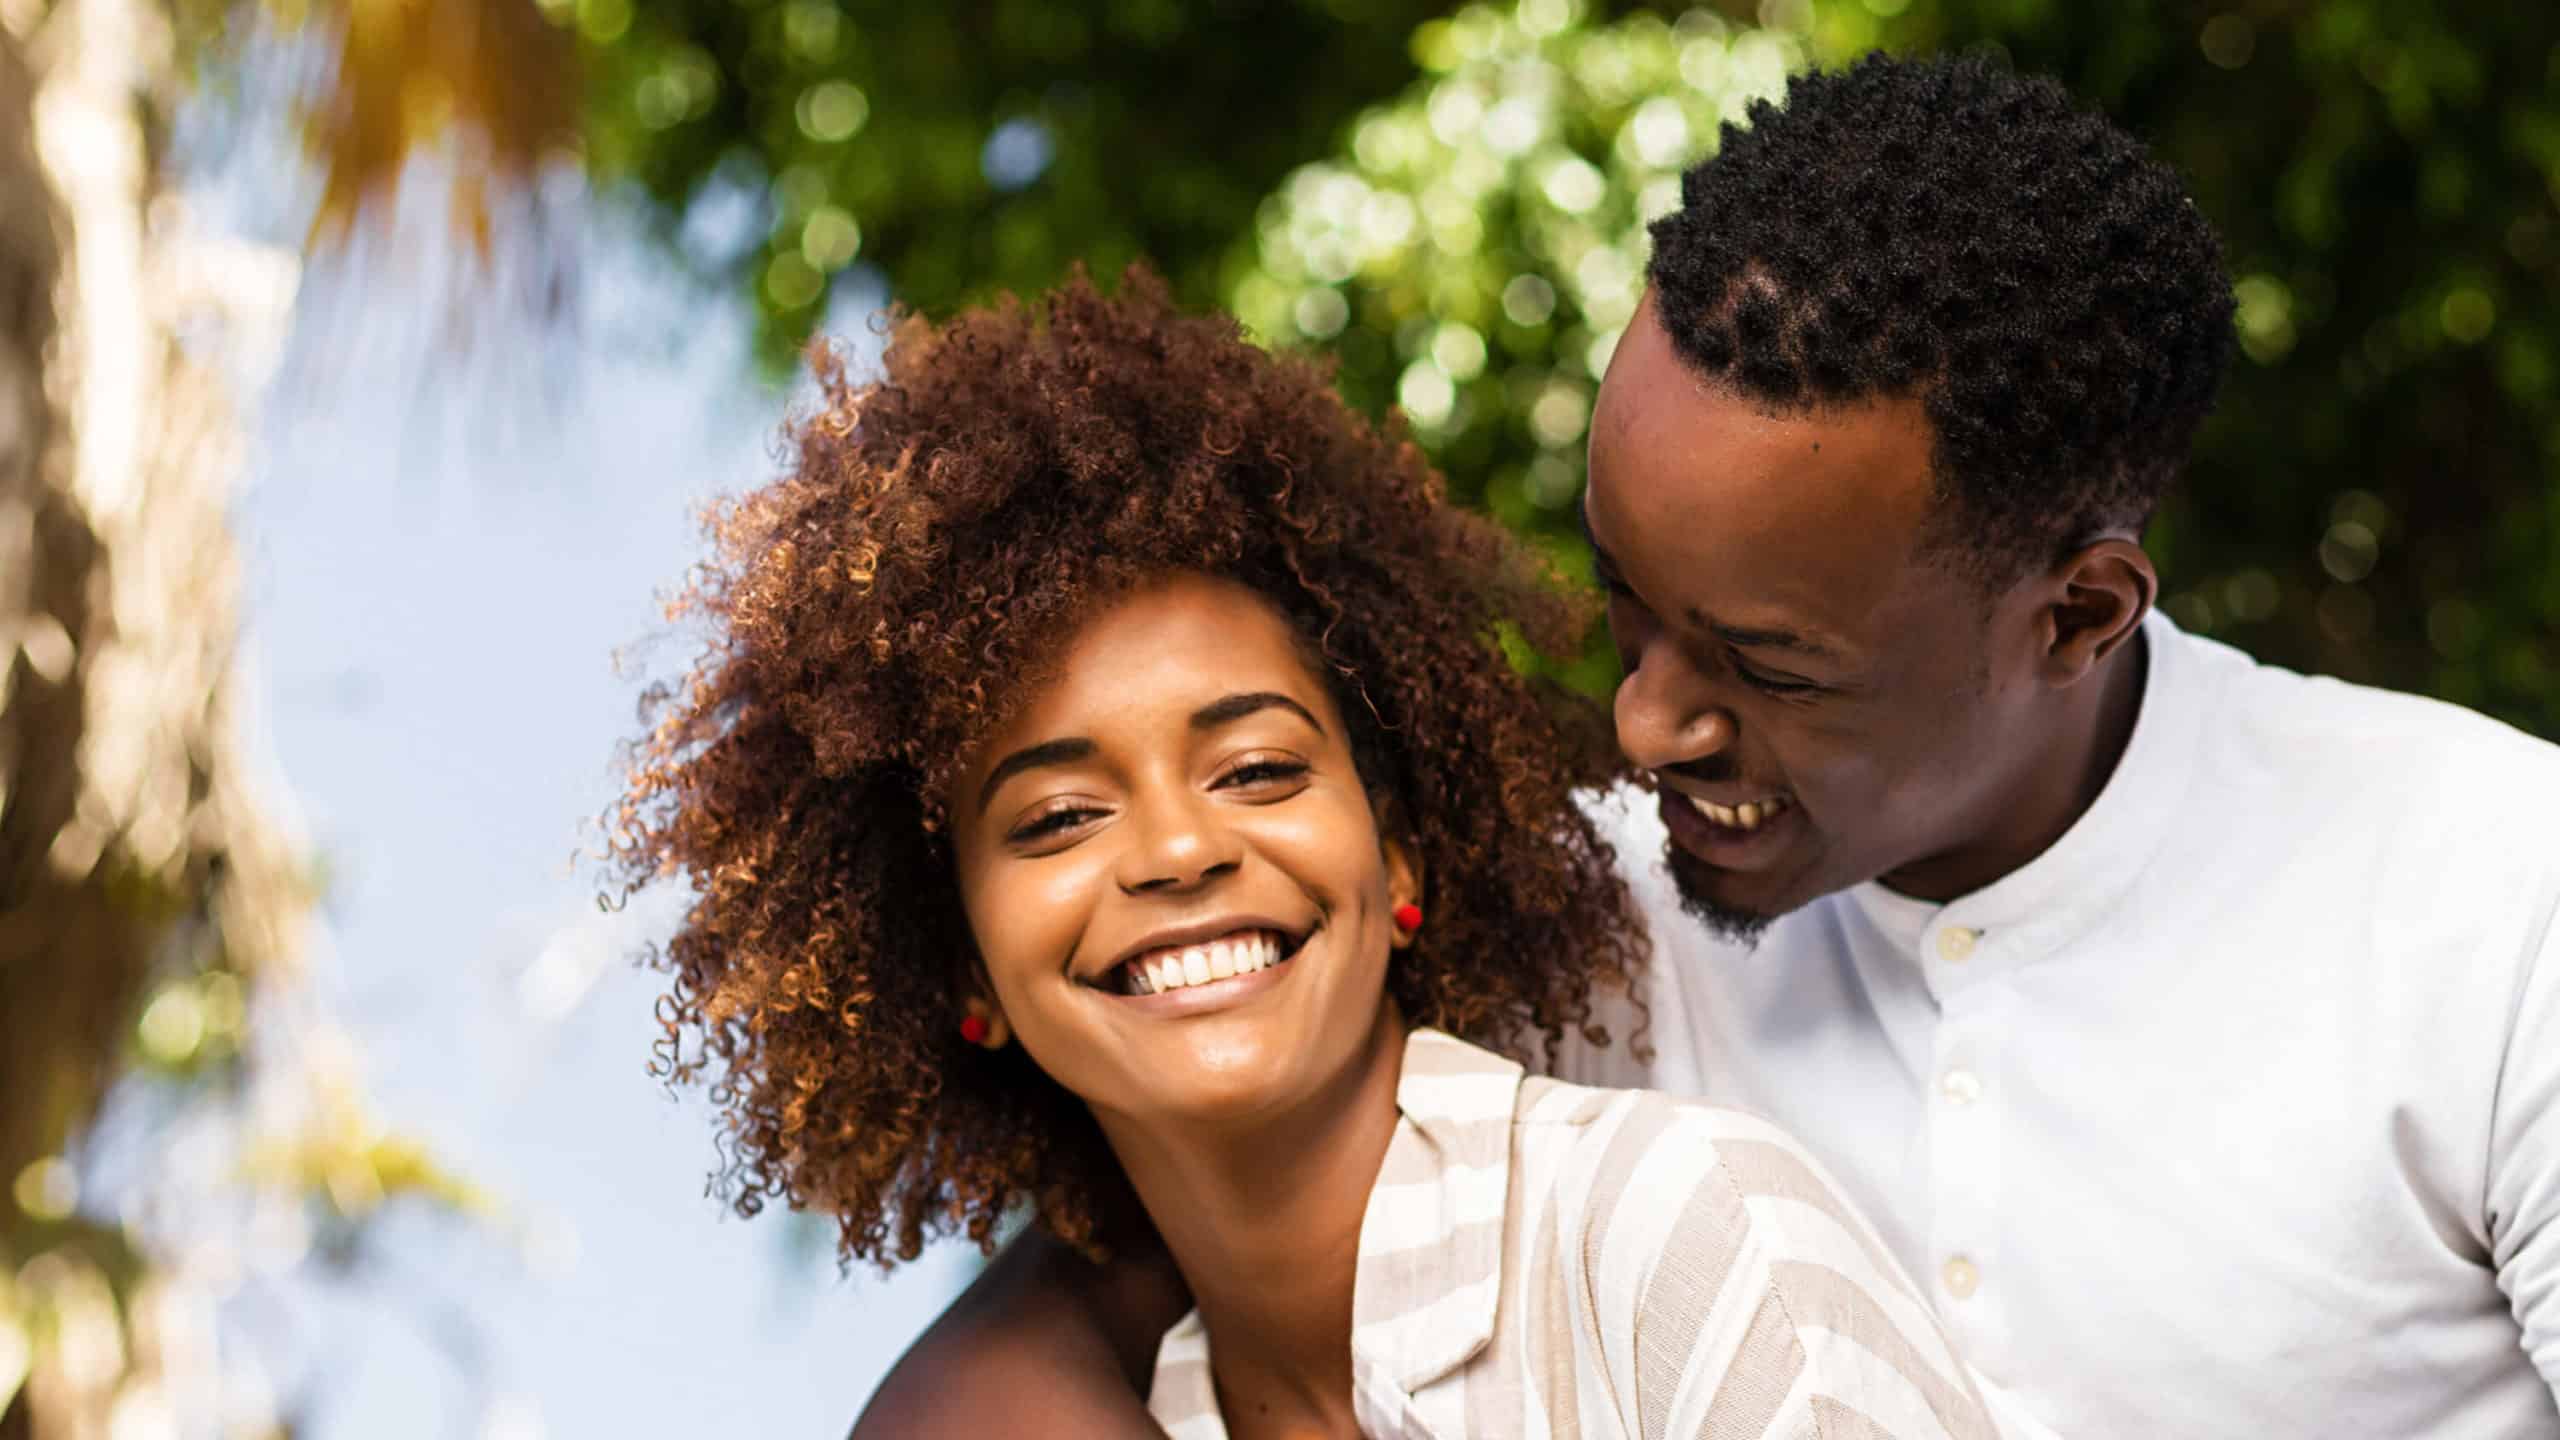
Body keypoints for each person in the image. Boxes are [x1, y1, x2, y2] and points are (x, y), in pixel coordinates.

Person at [854, 52, 2560, 1439]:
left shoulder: (2489, 906)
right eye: (1624, 602)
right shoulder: (1588, 919)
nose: (1645, 723)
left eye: (1767, 665)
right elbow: (1188, 1174)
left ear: (2077, 615)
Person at [612, 269, 2000, 1438]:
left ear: (1398, 861)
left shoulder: (1677, 1234)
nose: (1174, 848)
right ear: (964, 969)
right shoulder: (1101, 1407)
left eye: (1259, 769)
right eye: (1057, 818)